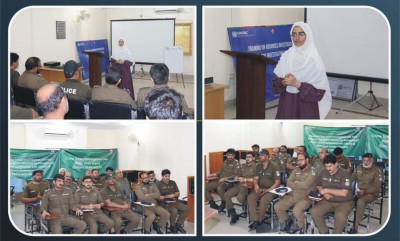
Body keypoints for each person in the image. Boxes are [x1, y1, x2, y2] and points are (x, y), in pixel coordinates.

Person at [273, 22, 331, 119]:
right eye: (294, 34)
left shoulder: (314, 60)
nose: (297, 38)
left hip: (306, 108)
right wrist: (283, 82)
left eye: (301, 34)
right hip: (287, 104)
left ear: (307, 36)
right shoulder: (286, 56)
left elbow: (319, 92)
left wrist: (298, 84)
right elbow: (275, 84)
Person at [274, 152, 316, 234]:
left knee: (296, 211)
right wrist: (299, 184)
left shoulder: (313, 171)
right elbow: (288, 182)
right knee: (277, 206)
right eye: (298, 160)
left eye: (301, 160)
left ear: (307, 160)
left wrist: (295, 182)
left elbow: (306, 185)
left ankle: (302, 226)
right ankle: (287, 221)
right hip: (292, 194)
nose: (299, 162)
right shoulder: (296, 169)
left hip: (305, 197)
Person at [310, 154, 353, 234]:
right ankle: (324, 232)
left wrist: (326, 190)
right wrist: (324, 193)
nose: (328, 169)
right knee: (314, 211)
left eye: (330, 166)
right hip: (327, 200)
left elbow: (343, 193)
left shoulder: (344, 173)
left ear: (336, 164)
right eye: (326, 166)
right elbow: (319, 186)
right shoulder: (323, 172)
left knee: (340, 217)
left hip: (343, 202)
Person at [348, 153, 382, 234]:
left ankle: (355, 227)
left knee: (360, 202)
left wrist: (365, 191)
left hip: (371, 193)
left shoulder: (377, 171)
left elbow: (377, 187)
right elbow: (352, 178)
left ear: (372, 160)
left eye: (368, 160)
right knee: (346, 198)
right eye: (364, 160)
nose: (366, 162)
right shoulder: (359, 168)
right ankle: (344, 220)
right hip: (358, 190)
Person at [247, 149, 280, 231]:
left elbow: (277, 183)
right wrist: (256, 184)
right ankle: (255, 220)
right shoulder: (258, 166)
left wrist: (268, 190)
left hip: (272, 190)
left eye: (262, 155)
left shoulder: (274, 166)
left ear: (267, 156)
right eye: (259, 155)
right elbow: (255, 178)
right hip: (260, 188)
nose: (260, 157)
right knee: (250, 197)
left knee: (264, 200)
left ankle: (259, 219)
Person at [224, 152, 257, 224]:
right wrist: (236, 177)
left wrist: (245, 179)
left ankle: (251, 207)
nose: (247, 158)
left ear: (253, 158)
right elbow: (239, 174)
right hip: (240, 184)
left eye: (250, 157)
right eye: (247, 157)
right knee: (226, 195)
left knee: (240, 198)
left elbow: (256, 179)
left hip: (249, 186)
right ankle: (233, 214)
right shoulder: (243, 165)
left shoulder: (256, 166)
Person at [156, 169, 188, 234]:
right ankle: (172, 226)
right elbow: (157, 197)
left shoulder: (173, 182)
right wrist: (165, 197)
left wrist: (173, 195)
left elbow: (178, 193)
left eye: (168, 176)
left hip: (174, 201)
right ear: (162, 176)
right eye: (166, 176)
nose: (167, 178)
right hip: (164, 203)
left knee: (186, 208)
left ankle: (178, 225)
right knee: (174, 210)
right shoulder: (158, 184)